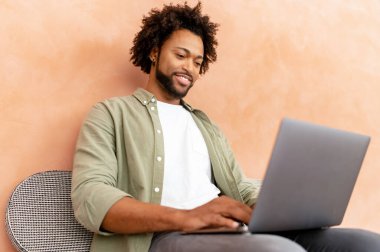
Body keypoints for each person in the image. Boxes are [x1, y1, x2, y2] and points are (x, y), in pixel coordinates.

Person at [71, 2, 380, 252]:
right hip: (162, 237)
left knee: (366, 244)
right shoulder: (111, 114)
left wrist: (280, 207)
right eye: (181, 55)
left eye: (197, 61)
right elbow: (91, 197)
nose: (189, 68)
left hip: (229, 232)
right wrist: (188, 218)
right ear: (154, 51)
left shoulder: (204, 125)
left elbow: (240, 185)